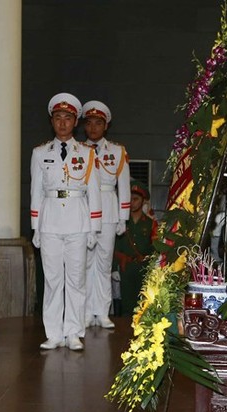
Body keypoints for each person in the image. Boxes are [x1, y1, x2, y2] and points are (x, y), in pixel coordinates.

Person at [30, 93, 102, 351]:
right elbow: (36, 192)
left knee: (76, 280)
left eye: (68, 118)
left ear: (75, 122)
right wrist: (35, 226)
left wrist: (95, 227)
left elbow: (94, 192)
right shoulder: (40, 153)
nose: (62, 123)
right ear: (52, 122)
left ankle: (73, 331)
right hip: (50, 221)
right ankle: (54, 333)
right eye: (58, 118)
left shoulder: (86, 152)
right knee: (52, 280)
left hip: (77, 222)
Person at [81, 100, 131, 329]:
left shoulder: (117, 151)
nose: (93, 128)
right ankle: (84, 312)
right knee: (82, 264)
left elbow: (123, 185)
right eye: (89, 123)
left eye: (98, 123)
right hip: (84, 211)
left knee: (103, 264)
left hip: (109, 212)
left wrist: (123, 217)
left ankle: (102, 311)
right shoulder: (77, 150)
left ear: (106, 126)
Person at [114, 181, 157, 316]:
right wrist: (114, 268)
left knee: (143, 304)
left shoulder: (151, 223)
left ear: (143, 201)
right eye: (129, 199)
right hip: (125, 267)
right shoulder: (121, 222)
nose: (132, 202)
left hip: (143, 267)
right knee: (126, 305)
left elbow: (155, 247)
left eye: (136, 199)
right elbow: (114, 246)